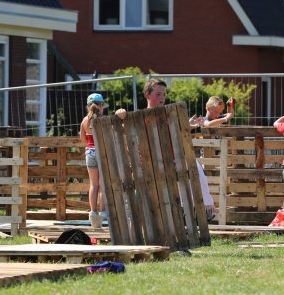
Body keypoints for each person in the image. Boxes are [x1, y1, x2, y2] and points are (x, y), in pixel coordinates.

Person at [116, 79, 216, 221]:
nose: (162, 97)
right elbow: (121, 129)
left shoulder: (167, 115)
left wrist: (188, 125)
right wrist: (120, 114)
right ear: (147, 95)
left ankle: (190, 215)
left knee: (193, 169)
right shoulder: (139, 117)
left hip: (169, 162)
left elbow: (173, 134)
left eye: (164, 94)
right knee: (146, 198)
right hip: (149, 166)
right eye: (158, 94)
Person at [80, 93, 106, 228]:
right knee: (102, 185)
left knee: (93, 185)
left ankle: (93, 213)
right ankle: (103, 213)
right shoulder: (103, 120)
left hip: (89, 152)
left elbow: (82, 139)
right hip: (101, 152)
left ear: (88, 106)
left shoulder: (85, 121)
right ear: (101, 105)